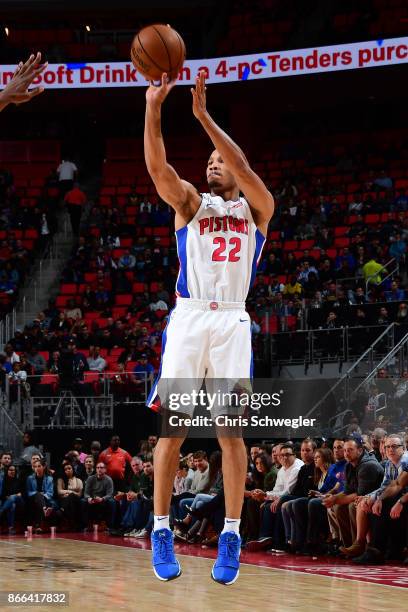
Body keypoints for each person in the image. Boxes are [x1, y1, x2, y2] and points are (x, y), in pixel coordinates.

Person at [144, 70, 274, 583]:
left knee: (230, 433)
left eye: (220, 160)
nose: (214, 162)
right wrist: (155, 107)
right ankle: (160, 530)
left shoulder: (258, 209)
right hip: (192, 316)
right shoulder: (191, 204)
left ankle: (231, 536)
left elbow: (241, 163)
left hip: (233, 321)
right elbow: (159, 169)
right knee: (172, 430)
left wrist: (204, 118)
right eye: (208, 160)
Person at [57, 463, 83, 530]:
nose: (68, 470)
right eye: (65, 469)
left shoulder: (78, 480)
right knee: (70, 499)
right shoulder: (61, 480)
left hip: (76, 500)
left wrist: (71, 493)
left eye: (69, 468)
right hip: (64, 500)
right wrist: (70, 492)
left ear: (73, 469)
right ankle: (73, 523)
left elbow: (79, 494)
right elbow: (59, 491)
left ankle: (62, 509)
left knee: (71, 497)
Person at [0, 464, 24, 534]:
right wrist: (9, 496)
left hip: (19, 501)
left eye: (13, 470)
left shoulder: (19, 480)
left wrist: (14, 495)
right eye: (10, 470)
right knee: (12, 505)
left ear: (15, 471)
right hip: (9, 501)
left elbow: (22, 493)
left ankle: (1, 511)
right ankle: (11, 528)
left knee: (13, 497)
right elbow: (3, 495)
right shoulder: (3, 481)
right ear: (7, 471)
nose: (11, 471)